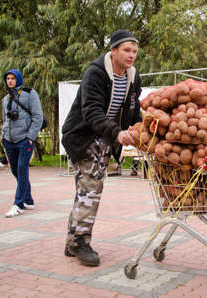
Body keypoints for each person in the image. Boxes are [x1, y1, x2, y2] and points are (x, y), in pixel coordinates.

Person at [61, 29, 142, 267]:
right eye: (126, 50)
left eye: (135, 51)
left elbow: (133, 111)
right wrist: (118, 133)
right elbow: (92, 112)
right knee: (91, 187)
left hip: (106, 138)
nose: (131, 55)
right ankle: (80, 243)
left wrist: (137, 131)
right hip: (83, 135)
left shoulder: (133, 77)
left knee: (86, 188)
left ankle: (72, 240)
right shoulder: (95, 73)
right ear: (114, 50)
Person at [1, 69, 43, 218]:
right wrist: (3, 137)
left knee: (21, 168)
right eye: (8, 79)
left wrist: (30, 137)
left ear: (18, 79)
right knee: (16, 171)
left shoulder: (30, 94)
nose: (10, 81)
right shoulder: (5, 98)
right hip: (9, 140)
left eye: (13, 78)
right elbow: (5, 119)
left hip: (24, 139)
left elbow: (38, 117)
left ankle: (18, 204)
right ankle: (28, 199)